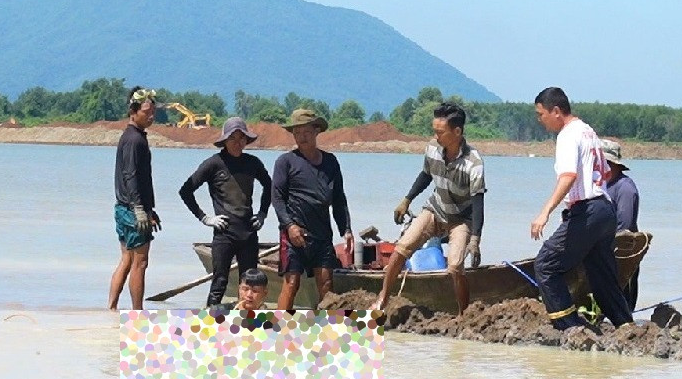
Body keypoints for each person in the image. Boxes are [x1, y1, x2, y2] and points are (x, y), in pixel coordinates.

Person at [530, 87, 632, 330]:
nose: (539, 120)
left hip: (588, 211)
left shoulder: (567, 135)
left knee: (546, 265)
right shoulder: (588, 131)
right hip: (605, 210)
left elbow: (567, 176)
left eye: (540, 114)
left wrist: (544, 212)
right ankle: (626, 327)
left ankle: (569, 327)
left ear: (556, 111)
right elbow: (605, 172)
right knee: (602, 277)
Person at [372, 102, 485, 315]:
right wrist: (407, 200)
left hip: (461, 219)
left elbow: (478, 203)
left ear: (457, 132)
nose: (436, 136)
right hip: (435, 209)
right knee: (400, 250)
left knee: (454, 266)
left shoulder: (473, 163)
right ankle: (382, 299)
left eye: (440, 132)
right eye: (434, 131)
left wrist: (475, 240)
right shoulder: (433, 148)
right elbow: (425, 175)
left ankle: (463, 312)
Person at [179, 117, 272, 305]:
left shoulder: (253, 163)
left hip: (248, 232)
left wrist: (262, 214)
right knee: (219, 282)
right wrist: (205, 218)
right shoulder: (214, 163)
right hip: (224, 234)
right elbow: (186, 190)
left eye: (241, 139)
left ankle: (245, 328)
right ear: (225, 141)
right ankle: (209, 327)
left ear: (246, 140)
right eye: (232, 139)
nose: (237, 143)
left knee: (248, 287)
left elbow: (270, 186)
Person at [271, 109, 354, 311]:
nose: (302, 137)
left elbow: (339, 199)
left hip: (322, 234)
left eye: (306, 132)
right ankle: (279, 330)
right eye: (297, 133)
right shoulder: (286, 162)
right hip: (294, 234)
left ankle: (327, 333)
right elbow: (277, 198)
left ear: (316, 131)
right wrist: (289, 226)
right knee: (292, 283)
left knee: (326, 284)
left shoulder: (330, 162)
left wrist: (347, 229)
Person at [108, 86, 162, 310]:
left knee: (127, 260)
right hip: (132, 211)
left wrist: (151, 209)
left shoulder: (133, 137)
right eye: (146, 112)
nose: (151, 116)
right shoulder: (134, 140)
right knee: (140, 263)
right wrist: (140, 209)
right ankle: (137, 314)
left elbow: (138, 178)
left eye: (153, 112)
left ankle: (111, 309)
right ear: (133, 111)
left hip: (124, 207)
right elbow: (130, 175)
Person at [601, 139, 641, 311]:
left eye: (604, 163)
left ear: (613, 164)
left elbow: (625, 225)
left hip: (624, 255)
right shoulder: (600, 185)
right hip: (602, 250)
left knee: (624, 302)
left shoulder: (624, 188)